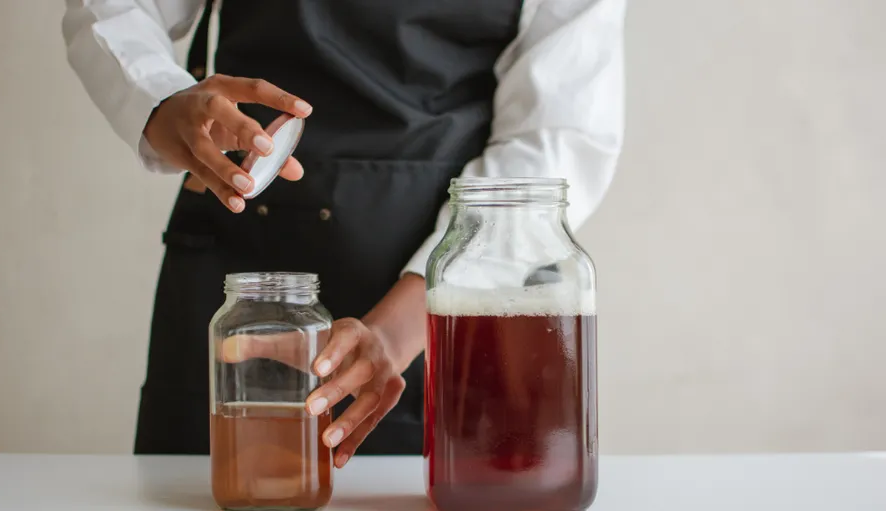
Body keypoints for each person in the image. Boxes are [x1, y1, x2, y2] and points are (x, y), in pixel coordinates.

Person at [61, 0, 626, 466]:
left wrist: (398, 331)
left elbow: (555, 142)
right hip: (237, 271)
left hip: (452, 298)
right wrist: (159, 102)